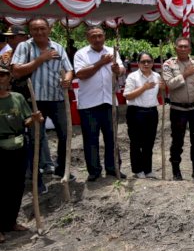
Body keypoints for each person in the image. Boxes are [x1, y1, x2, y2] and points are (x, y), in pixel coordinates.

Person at [11, 17, 74, 179]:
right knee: (34, 138)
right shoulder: (24, 47)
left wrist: (67, 79)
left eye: (42, 28)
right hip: (34, 100)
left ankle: (62, 169)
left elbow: (69, 69)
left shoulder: (58, 48)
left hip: (57, 98)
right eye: (35, 29)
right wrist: (40, 59)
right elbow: (16, 71)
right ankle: (35, 175)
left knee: (65, 135)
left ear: (49, 29)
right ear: (30, 31)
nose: (39, 32)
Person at [74, 26, 126, 181]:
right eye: (93, 36)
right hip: (89, 105)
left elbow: (121, 70)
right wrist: (100, 63)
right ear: (88, 38)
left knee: (112, 138)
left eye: (99, 36)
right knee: (91, 139)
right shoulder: (81, 54)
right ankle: (94, 171)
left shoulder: (112, 51)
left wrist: (118, 70)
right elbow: (81, 74)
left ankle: (113, 169)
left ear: (104, 37)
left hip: (109, 102)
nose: (97, 39)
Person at [0, 58, 43, 243]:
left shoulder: (17, 98)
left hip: (17, 145)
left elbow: (25, 120)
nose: (0, 79)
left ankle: (10, 222)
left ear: (9, 78)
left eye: (3, 75)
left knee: (16, 185)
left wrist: (33, 119)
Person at [162, 37, 194, 180]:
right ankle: (176, 170)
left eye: (185, 47)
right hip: (178, 109)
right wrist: (185, 74)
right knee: (177, 140)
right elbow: (169, 84)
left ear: (189, 49)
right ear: (175, 48)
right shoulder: (168, 64)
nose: (182, 49)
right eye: (180, 46)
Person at [123, 51, 162, 179]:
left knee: (149, 142)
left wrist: (163, 87)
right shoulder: (132, 77)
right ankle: (137, 169)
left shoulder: (157, 76)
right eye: (143, 61)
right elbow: (127, 95)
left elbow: (161, 94)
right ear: (138, 63)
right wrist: (144, 87)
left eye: (149, 61)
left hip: (151, 112)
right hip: (136, 112)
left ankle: (148, 169)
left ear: (152, 63)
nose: (146, 64)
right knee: (136, 142)